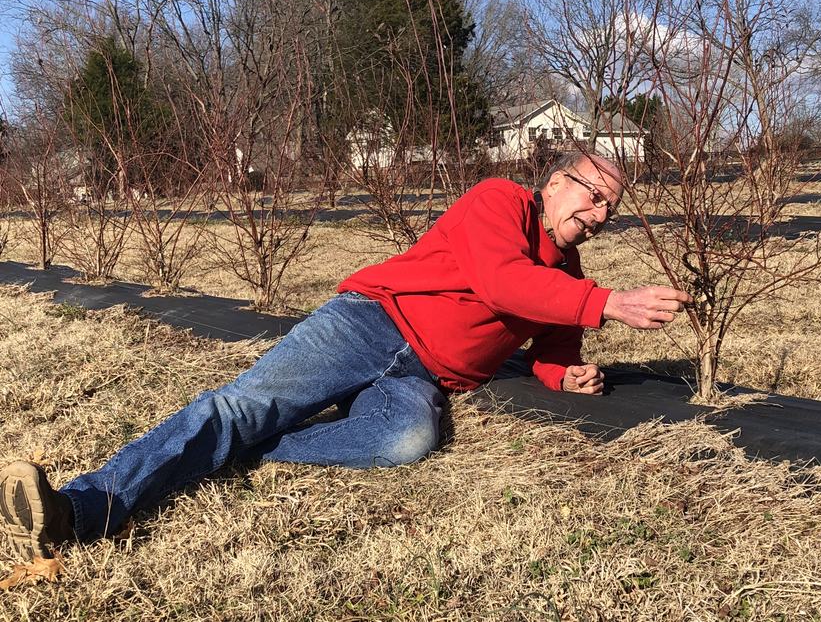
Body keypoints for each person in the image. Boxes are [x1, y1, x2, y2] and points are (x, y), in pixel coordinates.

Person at [0, 152, 691, 561]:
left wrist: (561, 370)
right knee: (243, 405)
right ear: (554, 180)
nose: (599, 214)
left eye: (611, 209)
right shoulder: (499, 202)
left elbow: (553, 336)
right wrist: (608, 302)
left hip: (421, 375)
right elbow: (502, 280)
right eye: (593, 195)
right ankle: (81, 510)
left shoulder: (567, 273)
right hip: (371, 321)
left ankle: (246, 451)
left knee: (405, 440)